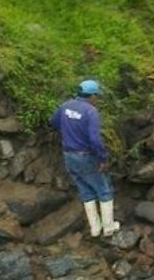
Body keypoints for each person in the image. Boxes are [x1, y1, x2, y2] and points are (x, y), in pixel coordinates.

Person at [50, 79, 120, 237]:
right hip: (86, 156)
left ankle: (95, 229)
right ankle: (108, 227)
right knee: (104, 189)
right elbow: (95, 140)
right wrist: (103, 159)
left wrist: (70, 131)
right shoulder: (90, 111)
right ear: (92, 96)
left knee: (85, 190)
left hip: (68, 155)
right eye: (97, 97)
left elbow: (53, 123)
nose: (98, 100)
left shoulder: (66, 106)